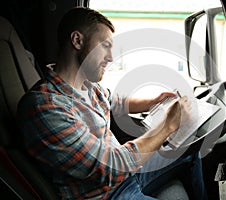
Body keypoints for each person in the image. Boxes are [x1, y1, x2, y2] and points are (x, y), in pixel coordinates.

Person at [17, 7, 207, 200]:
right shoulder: (46, 107)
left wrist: (154, 101)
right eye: (105, 46)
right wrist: (168, 125)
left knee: (191, 149)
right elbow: (111, 167)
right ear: (77, 40)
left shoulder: (89, 87)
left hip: (126, 178)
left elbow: (116, 102)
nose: (111, 57)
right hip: (105, 194)